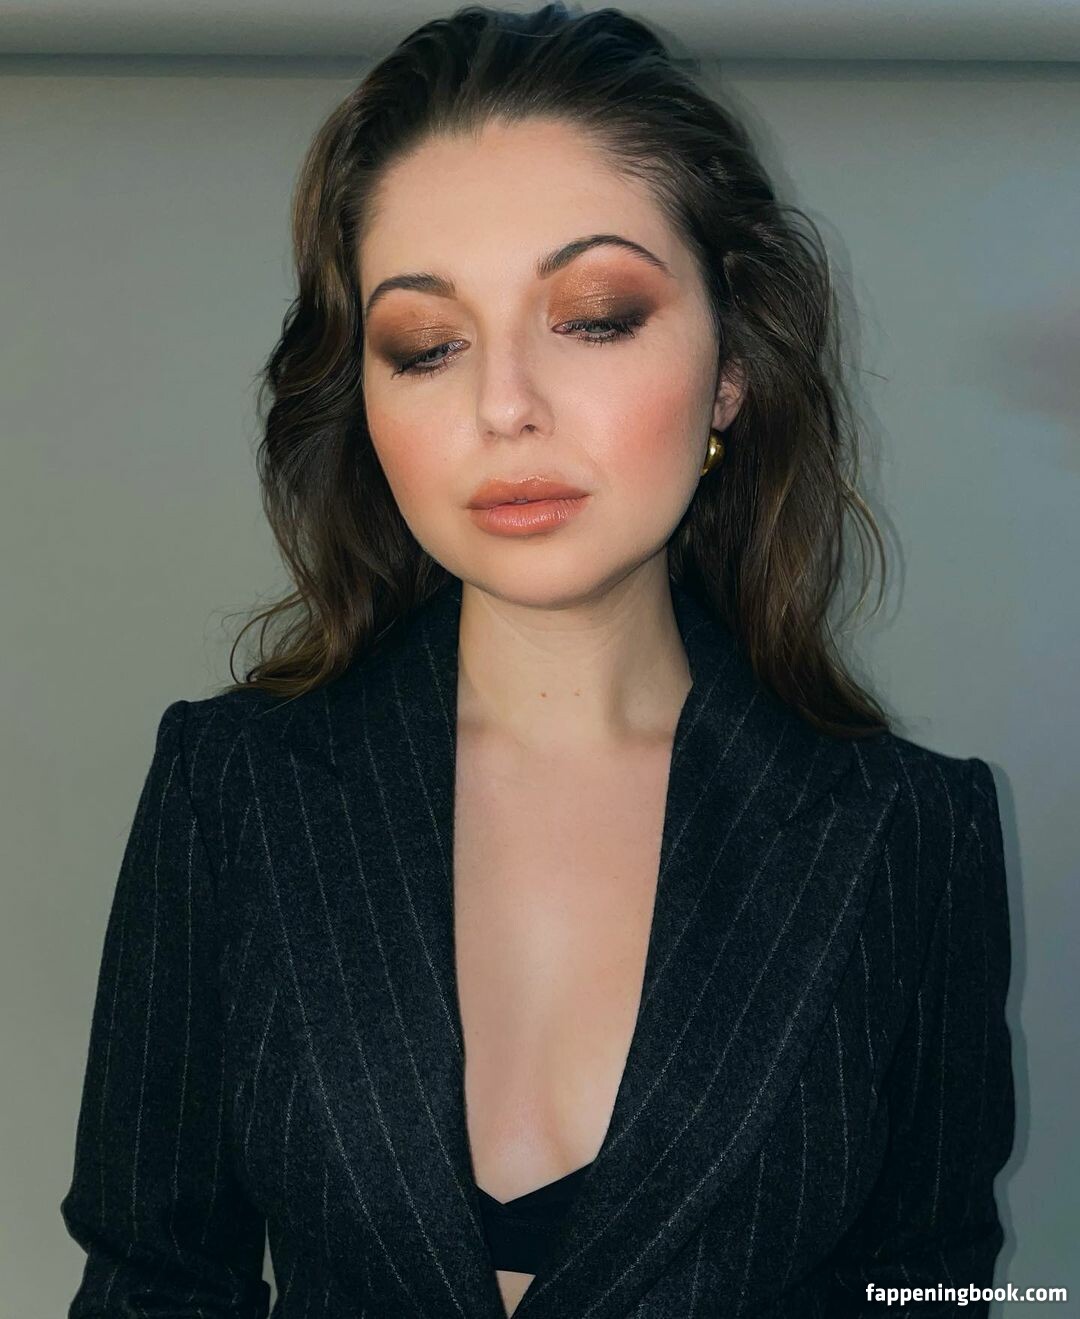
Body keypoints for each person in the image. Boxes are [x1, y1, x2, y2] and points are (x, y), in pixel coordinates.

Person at [60, 4, 1015, 1317]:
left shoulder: (910, 833)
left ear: (730, 370)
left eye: (597, 317)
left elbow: (930, 1290)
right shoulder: (232, 790)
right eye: (426, 345)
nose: (503, 405)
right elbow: (152, 1281)